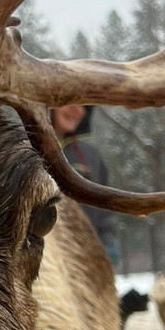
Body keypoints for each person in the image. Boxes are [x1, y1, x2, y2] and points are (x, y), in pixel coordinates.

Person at [51, 105, 120, 266]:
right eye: (69, 101)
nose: (78, 110)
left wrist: (107, 243)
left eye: (85, 106)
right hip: (42, 262)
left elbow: (104, 208)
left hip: (84, 261)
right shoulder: (22, 148)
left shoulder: (90, 156)